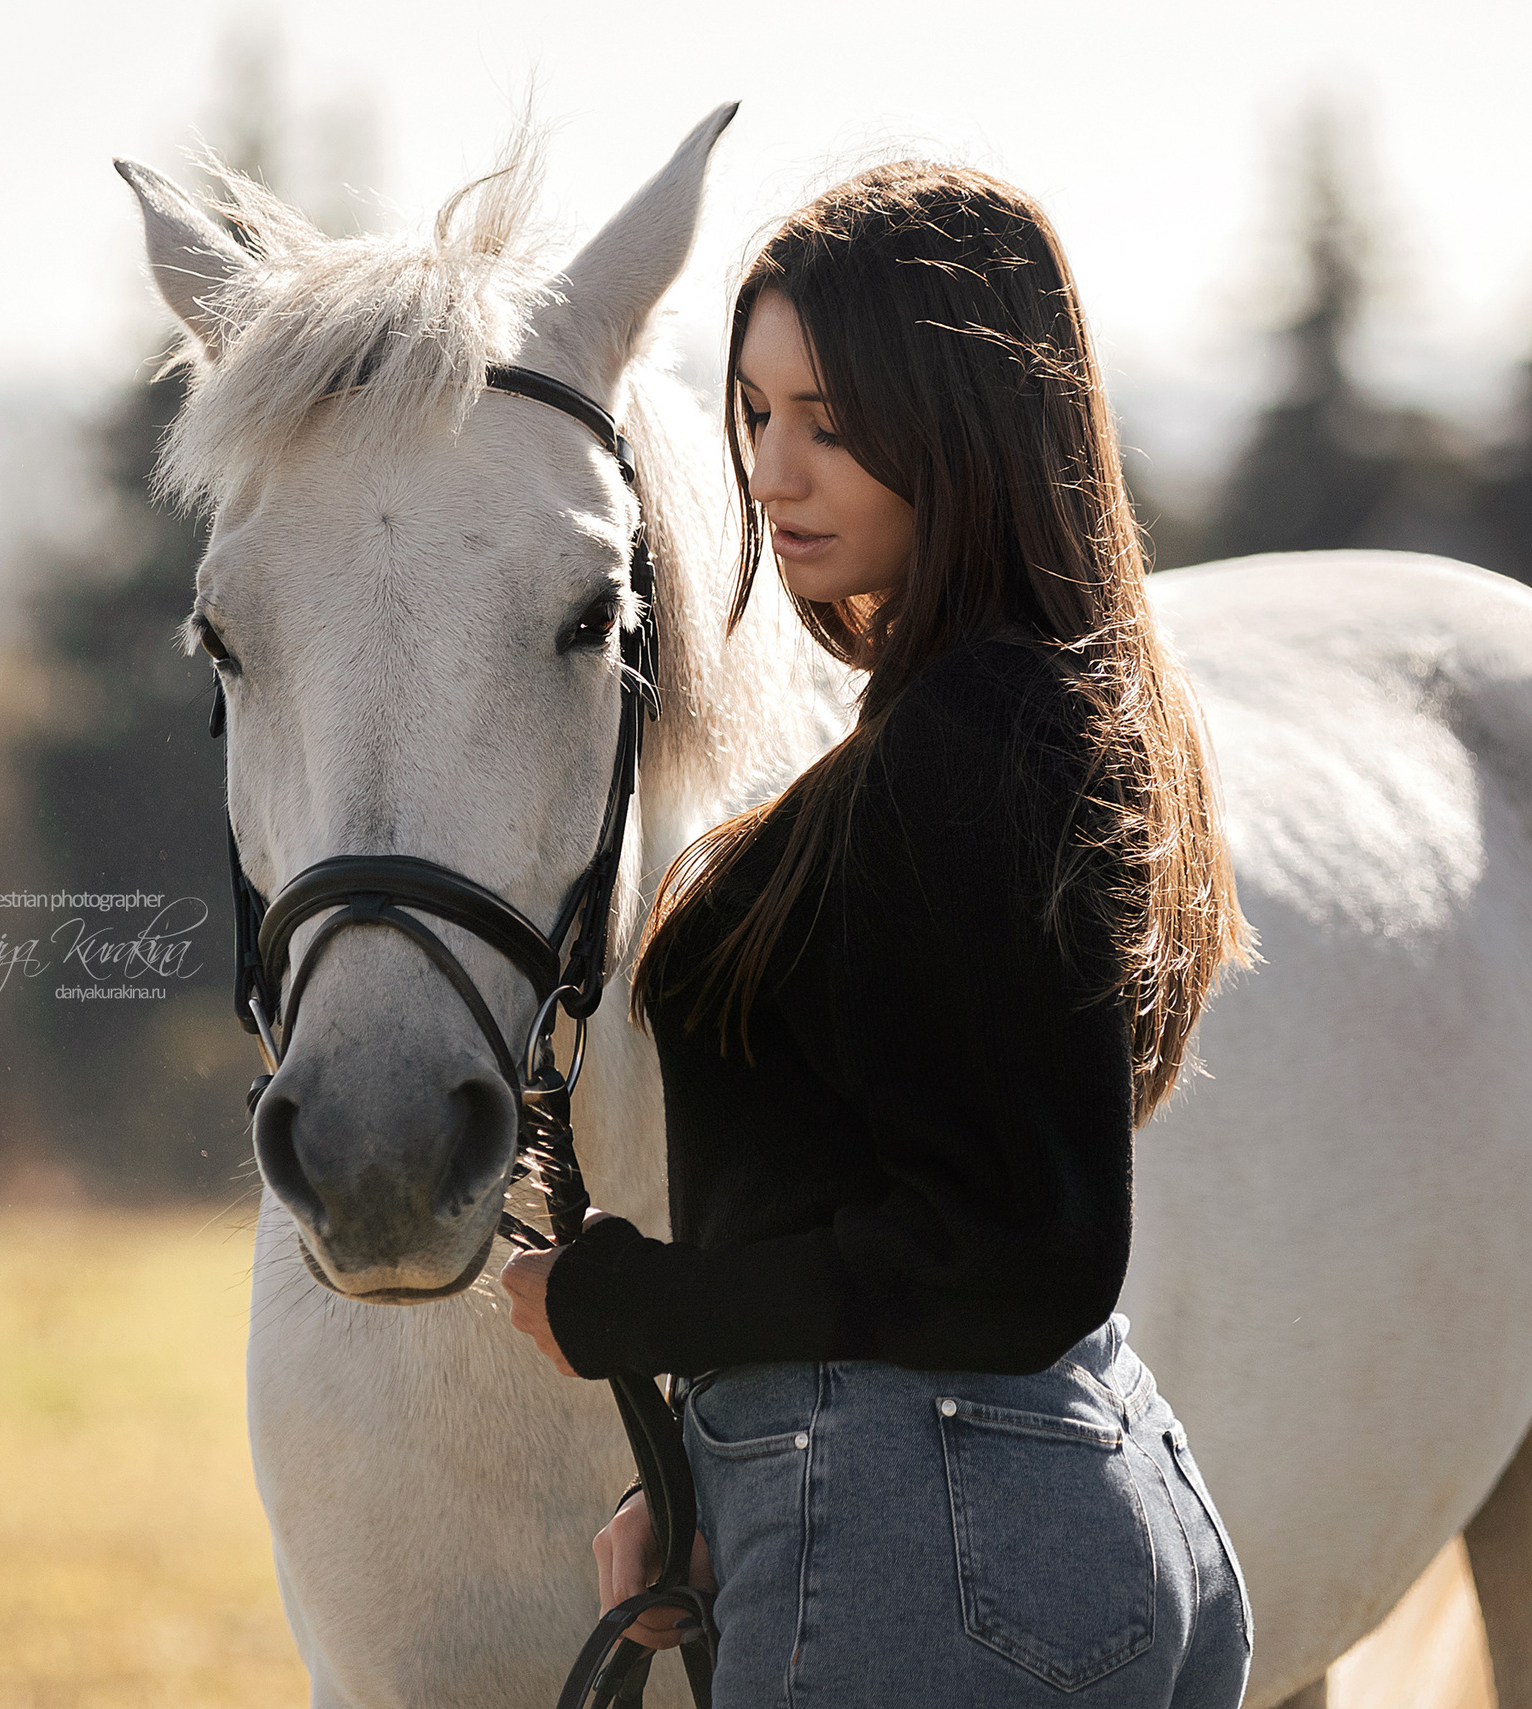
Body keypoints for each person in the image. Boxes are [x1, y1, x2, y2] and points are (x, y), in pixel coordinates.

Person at [500, 160, 1252, 1708]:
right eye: (759, 414)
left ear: (965, 417)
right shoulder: (998, 710)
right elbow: (893, 1177)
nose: (776, 469)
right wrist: (728, 1474)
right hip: (1006, 1504)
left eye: (831, 422)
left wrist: (633, 1305)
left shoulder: (973, 728)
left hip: (943, 1552)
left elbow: (1019, 1248)